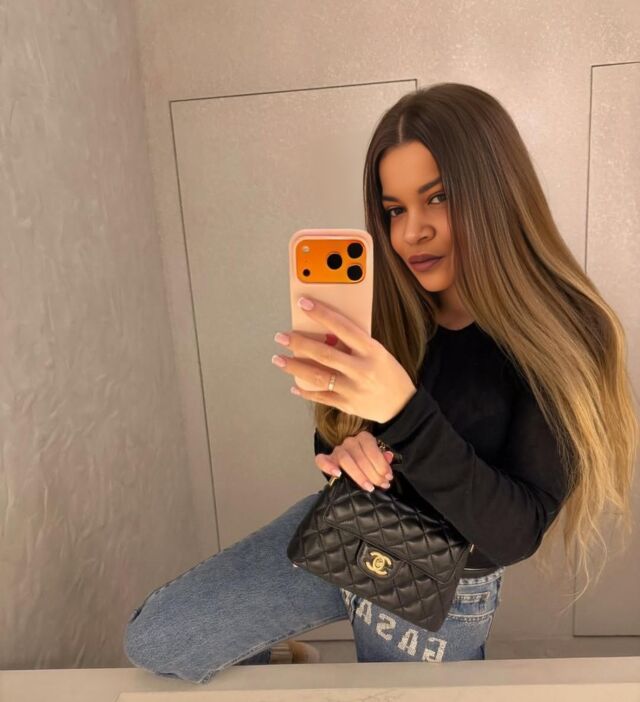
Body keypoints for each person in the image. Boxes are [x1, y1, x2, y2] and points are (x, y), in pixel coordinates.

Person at [123, 82, 638, 684]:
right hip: (344, 527)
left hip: (442, 576)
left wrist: (404, 412)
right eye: (394, 210)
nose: (411, 232)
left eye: (438, 198)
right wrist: (345, 449)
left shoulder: (564, 332)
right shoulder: (392, 308)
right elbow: (335, 433)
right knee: (157, 640)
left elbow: (516, 532)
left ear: (496, 191)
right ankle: (281, 656)